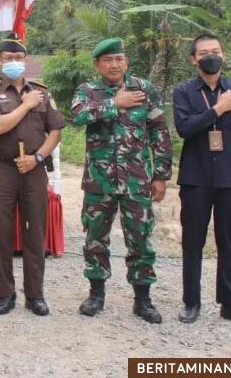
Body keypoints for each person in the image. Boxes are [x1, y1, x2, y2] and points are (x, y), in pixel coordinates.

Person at [70, 37, 172, 324]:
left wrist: (161, 176)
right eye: (107, 60)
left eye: (118, 59)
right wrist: (114, 103)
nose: (114, 64)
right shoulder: (88, 91)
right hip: (99, 182)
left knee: (140, 238)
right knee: (95, 238)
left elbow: (159, 132)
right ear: (97, 65)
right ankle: (96, 294)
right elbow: (77, 117)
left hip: (137, 181)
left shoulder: (144, 89)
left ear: (126, 61)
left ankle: (143, 299)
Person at [173, 34, 231, 330]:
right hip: (196, 178)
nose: (211, 56)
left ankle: (230, 303)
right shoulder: (184, 92)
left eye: (216, 51)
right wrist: (217, 109)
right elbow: (184, 128)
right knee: (193, 242)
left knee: (229, 242)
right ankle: (191, 301)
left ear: (223, 55)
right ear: (193, 59)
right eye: (204, 52)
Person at [0, 33, 65, 316]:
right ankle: (5, 293)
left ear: (25, 61)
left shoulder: (42, 92)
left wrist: (38, 157)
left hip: (34, 169)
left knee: (34, 231)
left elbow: (55, 130)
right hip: (2, 168)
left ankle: (35, 294)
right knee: (1, 231)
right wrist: (25, 105)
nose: (14, 63)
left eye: (18, 58)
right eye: (8, 59)